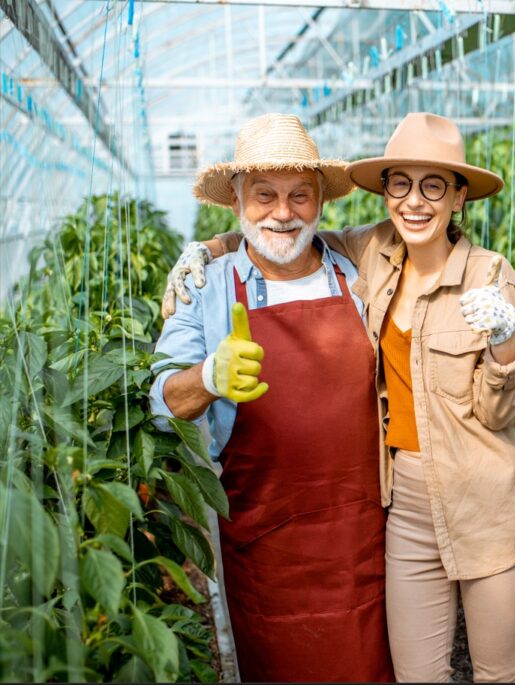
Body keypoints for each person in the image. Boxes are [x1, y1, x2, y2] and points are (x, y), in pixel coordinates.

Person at [167, 113, 515, 682]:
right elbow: (272, 237)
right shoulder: (351, 257)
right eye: (401, 183)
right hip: (342, 519)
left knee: (490, 673)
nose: (415, 201)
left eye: (434, 185)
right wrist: (204, 253)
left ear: (459, 197)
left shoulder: (460, 273)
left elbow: (499, 413)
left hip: (444, 506)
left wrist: (504, 343)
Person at [149, 113, 393, 682]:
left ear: (320, 204)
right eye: (264, 196)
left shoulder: (358, 274)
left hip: (363, 541)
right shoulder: (207, 288)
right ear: (237, 202)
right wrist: (210, 376)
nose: (283, 213)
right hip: (266, 548)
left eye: (299, 196)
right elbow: (161, 400)